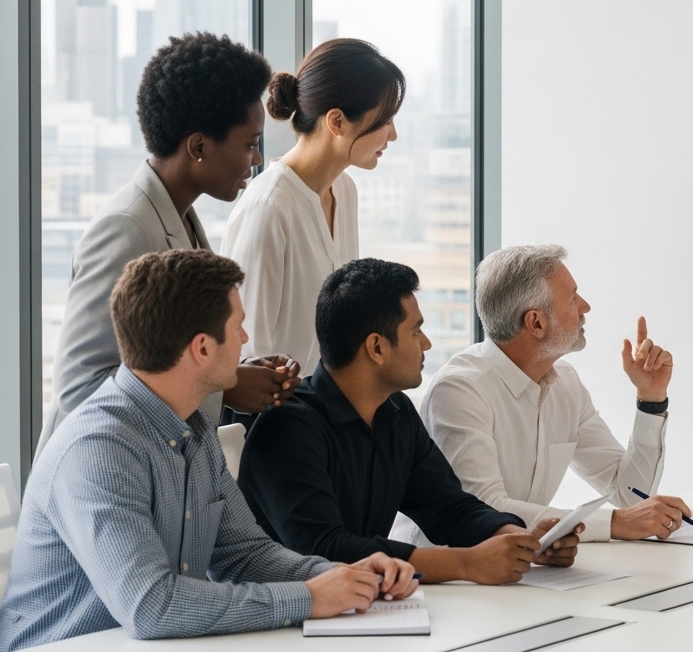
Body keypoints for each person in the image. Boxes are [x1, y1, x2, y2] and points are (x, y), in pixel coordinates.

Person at [0, 250, 418, 651]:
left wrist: (346, 576)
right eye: (237, 327)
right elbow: (152, 607)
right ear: (202, 348)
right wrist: (307, 598)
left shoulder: (194, 429)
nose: (245, 339)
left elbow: (244, 554)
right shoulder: (98, 450)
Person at [238, 258, 581, 585]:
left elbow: (448, 507)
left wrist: (520, 540)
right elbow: (325, 550)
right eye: (416, 331)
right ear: (376, 348)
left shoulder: (395, 411)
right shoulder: (288, 428)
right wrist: (466, 563)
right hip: (282, 615)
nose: (427, 343)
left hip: (359, 605)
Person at [40, 32, 300, 455]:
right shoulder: (126, 228)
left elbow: (158, 357)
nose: (256, 160)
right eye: (250, 144)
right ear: (198, 146)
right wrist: (222, 386)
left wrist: (230, 369)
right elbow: (81, 389)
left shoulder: (180, 216)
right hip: (97, 475)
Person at [391, 245, 692, 546]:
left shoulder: (566, 384)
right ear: (536, 323)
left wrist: (651, 398)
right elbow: (484, 509)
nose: (585, 307)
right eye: (572, 299)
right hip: (436, 569)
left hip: (519, 564)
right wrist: (614, 523)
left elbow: (631, 496)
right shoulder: (460, 390)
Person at [221, 38, 404, 421]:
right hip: (273, 425)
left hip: (329, 417)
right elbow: (247, 353)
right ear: (337, 121)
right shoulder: (269, 207)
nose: (392, 135)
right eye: (385, 120)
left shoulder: (344, 190)